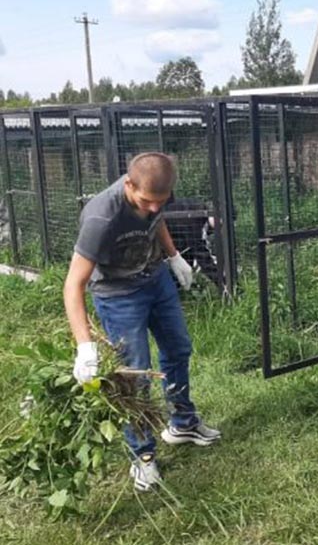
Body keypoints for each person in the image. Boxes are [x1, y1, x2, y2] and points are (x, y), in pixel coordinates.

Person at [64, 152, 221, 492]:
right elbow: (73, 285)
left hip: (155, 279)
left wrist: (174, 255)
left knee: (179, 348)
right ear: (128, 184)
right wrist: (85, 346)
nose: (153, 207)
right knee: (135, 375)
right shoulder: (100, 218)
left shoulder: (157, 198)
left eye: (160, 201)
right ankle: (143, 456)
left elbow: (156, 220)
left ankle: (182, 422)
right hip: (117, 293)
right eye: (146, 200)